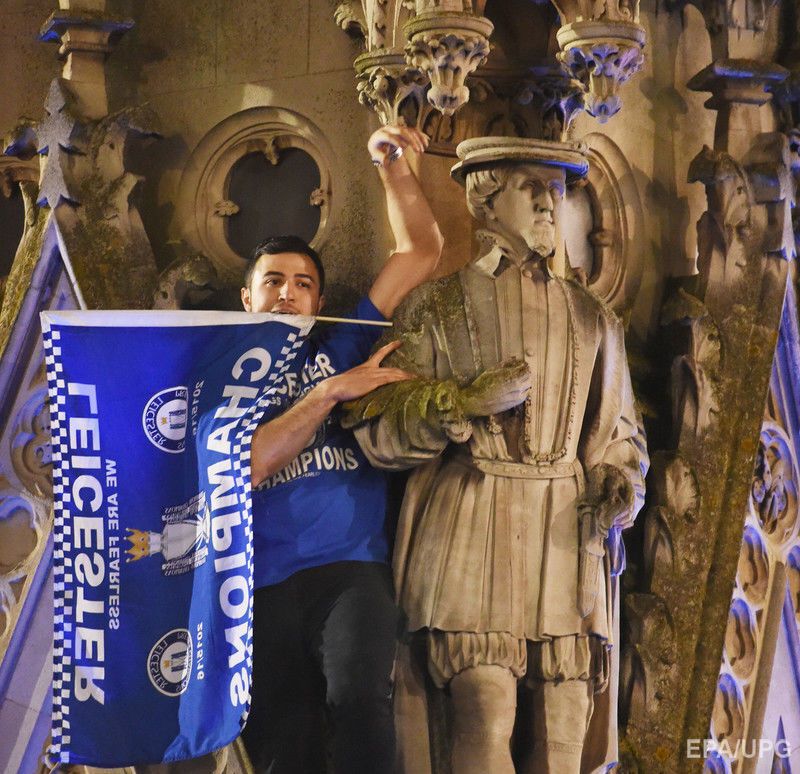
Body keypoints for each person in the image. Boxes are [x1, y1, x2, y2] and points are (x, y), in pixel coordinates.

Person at [344, 137, 649, 773]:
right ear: (485, 201)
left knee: (566, 723)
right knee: (484, 707)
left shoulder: (592, 317)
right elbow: (376, 423)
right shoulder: (435, 306)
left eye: (556, 190)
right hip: (472, 513)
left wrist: (620, 482)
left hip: (564, 521)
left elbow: (621, 431)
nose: (548, 202)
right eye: (530, 187)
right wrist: (460, 402)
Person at [240, 123, 443, 774]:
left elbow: (420, 252)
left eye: (302, 283)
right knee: (284, 745)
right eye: (273, 281)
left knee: (359, 701)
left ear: (320, 301)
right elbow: (251, 464)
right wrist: (329, 394)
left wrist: (391, 166)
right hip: (259, 584)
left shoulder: (340, 346)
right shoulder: (220, 383)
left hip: (351, 570)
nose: (287, 292)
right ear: (247, 297)